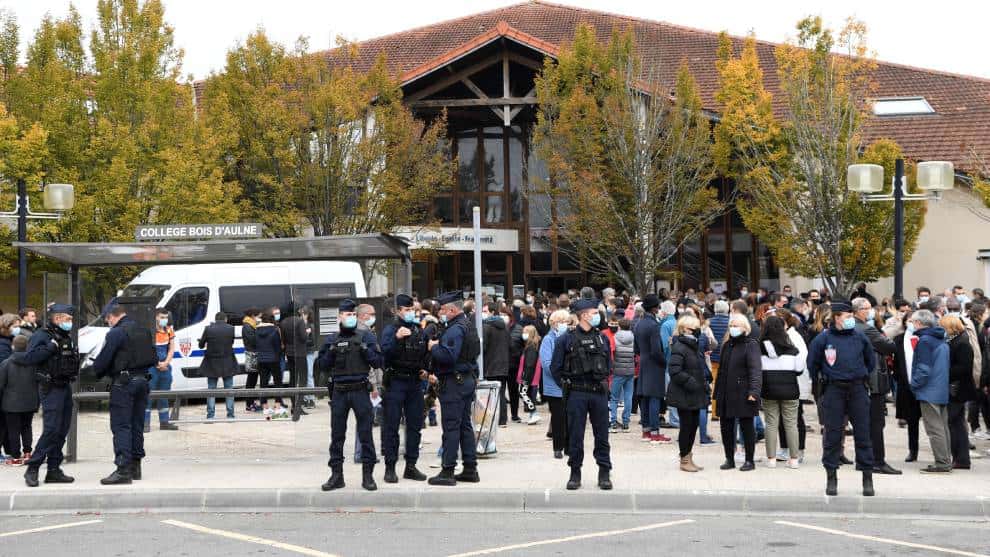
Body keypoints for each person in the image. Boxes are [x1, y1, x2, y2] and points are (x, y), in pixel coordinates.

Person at [807, 300, 876, 496]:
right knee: (833, 435)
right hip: (833, 389)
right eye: (847, 317)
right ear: (836, 317)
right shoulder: (823, 339)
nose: (850, 320)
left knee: (863, 434)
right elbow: (812, 365)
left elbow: (870, 362)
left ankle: (867, 478)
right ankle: (831, 477)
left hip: (857, 389)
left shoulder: (860, 337)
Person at [317, 299, 383, 491]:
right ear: (340, 316)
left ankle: (368, 476)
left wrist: (365, 351)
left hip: (360, 390)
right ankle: (336, 475)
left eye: (354, 314)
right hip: (339, 391)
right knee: (337, 435)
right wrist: (331, 351)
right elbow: (322, 366)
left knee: (366, 434)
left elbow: (379, 361)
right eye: (348, 314)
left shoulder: (366, 337)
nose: (351, 318)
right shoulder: (331, 339)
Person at [551, 298, 613, 490]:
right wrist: (566, 386)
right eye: (595, 312)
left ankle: (604, 472)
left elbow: (609, 366)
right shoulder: (566, 339)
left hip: (598, 393)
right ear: (584, 315)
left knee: (602, 435)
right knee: (576, 435)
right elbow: (555, 368)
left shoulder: (601, 338)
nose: (597, 316)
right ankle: (575, 472)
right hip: (577, 392)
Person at [91, 305, 157, 485]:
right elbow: (153, 357)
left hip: (124, 383)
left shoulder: (116, 333)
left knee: (121, 426)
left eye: (108, 320)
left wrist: (95, 372)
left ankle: (123, 470)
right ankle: (136, 466)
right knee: (137, 424)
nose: (108, 323)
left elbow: (104, 359)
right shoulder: (143, 330)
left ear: (113, 316)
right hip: (143, 381)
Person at [426, 291, 482, 486]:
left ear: (452, 309)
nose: (440, 312)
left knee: (451, 427)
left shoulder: (455, 329)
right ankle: (470, 468)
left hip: (454, 383)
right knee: (464, 425)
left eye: (442, 309)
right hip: (465, 380)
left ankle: (447, 470)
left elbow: (448, 356)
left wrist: (433, 347)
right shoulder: (468, 325)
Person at [20, 304, 77, 487]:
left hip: (64, 385)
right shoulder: (42, 335)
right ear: (58, 318)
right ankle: (33, 467)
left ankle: (54, 469)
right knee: (51, 429)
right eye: (68, 319)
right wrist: (50, 348)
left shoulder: (64, 335)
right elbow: (29, 359)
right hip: (50, 387)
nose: (71, 322)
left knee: (62, 429)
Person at [379, 294, 429, 484]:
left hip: (414, 383)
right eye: (407, 310)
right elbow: (385, 354)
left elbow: (423, 354)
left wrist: (426, 368)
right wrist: (397, 339)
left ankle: (411, 466)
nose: (410, 313)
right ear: (398, 311)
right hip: (396, 382)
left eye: (412, 310)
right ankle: (390, 467)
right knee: (391, 426)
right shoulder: (390, 330)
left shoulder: (417, 330)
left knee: (415, 426)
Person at [851, 297, 901, 475]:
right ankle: (877, 461)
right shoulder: (866, 329)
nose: (871, 311)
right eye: (867, 308)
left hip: (862, 382)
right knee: (875, 424)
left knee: (863, 423)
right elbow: (889, 346)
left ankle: (863, 459)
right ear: (859, 311)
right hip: (873, 383)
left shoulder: (855, 327)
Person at [714, 314, 761, 472]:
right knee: (726, 427)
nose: (733, 328)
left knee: (747, 427)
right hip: (726, 391)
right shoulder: (727, 345)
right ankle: (729, 458)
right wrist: (717, 392)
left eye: (736, 325)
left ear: (744, 328)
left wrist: (754, 391)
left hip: (743, 391)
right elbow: (721, 370)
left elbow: (755, 370)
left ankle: (749, 460)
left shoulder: (751, 344)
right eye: (731, 325)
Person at [909, 309, 952, 473]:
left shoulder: (925, 341)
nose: (912, 324)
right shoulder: (940, 338)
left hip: (929, 390)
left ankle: (942, 462)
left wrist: (914, 384)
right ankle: (946, 459)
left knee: (934, 429)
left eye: (913, 322)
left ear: (919, 323)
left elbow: (923, 369)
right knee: (942, 427)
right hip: (940, 388)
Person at [666, 315, 709, 472]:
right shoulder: (680, 346)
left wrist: (704, 383)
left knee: (693, 425)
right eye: (693, 329)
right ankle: (684, 459)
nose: (697, 332)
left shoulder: (693, 346)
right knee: (687, 427)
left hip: (695, 393)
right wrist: (691, 382)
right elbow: (675, 371)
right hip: (684, 393)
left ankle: (688, 456)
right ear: (684, 329)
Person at [759, 315, 802, 469]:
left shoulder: (759, 349)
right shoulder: (792, 350)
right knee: (791, 424)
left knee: (771, 423)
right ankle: (794, 459)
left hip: (768, 390)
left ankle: (771, 459)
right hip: (790, 390)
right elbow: (799, 370)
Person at [941, 314, 976, 470]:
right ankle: (961, 458)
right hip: (957, 388)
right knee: (956, 424)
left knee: (954, 424)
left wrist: (944, 371)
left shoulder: (961, 343)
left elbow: (964, 367)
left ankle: (961, 458)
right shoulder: (955, 340)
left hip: (958, 389)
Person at [635, 294, 671, 444]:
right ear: (655, 308)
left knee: (644, 396)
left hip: (643, 361)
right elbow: (657, 350)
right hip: (654, 364)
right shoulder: (654, 325)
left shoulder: (639, 323)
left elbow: (636, 347)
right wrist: (664, 363)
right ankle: (655, 432)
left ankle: (646, 431)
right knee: (655, 397)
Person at [0, 335, 38, 463]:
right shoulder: (34, 363)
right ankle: (27, 453)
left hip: (10, 404)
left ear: (13, 347)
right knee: (27, 427)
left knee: (13, 430)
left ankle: (15, 457)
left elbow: (1, 384)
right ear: (27, 347)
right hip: (30, 402)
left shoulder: (6, 363)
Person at [198, 312, 238, 421]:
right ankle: (230, 415)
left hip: (212, 362)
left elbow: (201, 345)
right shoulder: (231, 328)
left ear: (215, 319)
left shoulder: (208, 329)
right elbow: (231, 342)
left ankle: (210, 416)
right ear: (225, 319)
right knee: (229, 389)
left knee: (211, 390)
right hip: (227, 361)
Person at [540, 310, 569, 459]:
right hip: (554, 386)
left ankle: (569, 447)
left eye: (566, 322)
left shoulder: (568, 338)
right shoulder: (548, 339)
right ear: (554, 323)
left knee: (570, 417)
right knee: (558, 418)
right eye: (562, 322)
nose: (565, 325)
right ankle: (558, 447)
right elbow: (546, 364)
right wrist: (561, 376)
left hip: (568, 386)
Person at [145, 309, 178, 432]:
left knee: (164, 395)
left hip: (165, 368)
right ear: (156, 317)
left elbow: (171, 349)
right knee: (148, 395)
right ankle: (145, 423)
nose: (165, 319)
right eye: (162, 317)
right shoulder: (150, 331)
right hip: (151, 368)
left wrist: (166, 363)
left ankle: (164, 422)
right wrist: (156, 363)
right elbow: (146, 350)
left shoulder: (169, 330)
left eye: (166, 317)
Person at [481, 302, 512, 427]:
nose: (484, 313)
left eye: (485, 311)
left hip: (490, 365)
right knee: (501, 392)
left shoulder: (486, 327)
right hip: (503, 364)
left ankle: (492, 419)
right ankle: (502, 420)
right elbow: (510, 344)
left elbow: (483, 347)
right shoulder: (505, 327)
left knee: (490, 394)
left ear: (492, 312)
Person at [279, 303, 309, 418]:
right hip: (300, 353)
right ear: (297, 310)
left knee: (292, 378)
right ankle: (298, 407)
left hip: (289, 353)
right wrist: (307, 332)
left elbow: (283, 339)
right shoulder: (300, 321)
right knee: (302, 380)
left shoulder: (283, 322)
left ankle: (293, 405)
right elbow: (303, 337)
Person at [255, 309, 286, 417]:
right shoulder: (274, 330)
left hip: (261, 360)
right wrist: (279, 355)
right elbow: (278, 347)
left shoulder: (256, 330)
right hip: (273, 359)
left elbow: (255, 345)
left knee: (263, 383)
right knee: (278, 382)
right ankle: (277, 406)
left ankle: (265, 407)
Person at [610, 319, 636, 432]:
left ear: (619, 326)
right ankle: (626, 423)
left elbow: (613, 353)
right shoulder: (633, 337)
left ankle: (613, 422)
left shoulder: (615, 337)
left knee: (614, 398)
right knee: (628, 397)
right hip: (630, 370)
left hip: (618, 370)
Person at [517, 324, 542, 425]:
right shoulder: (531, 345)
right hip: (531, 377)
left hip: (528, 377)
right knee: (529, 395)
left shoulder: (531, 347)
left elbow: (529, 365)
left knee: (523, 393)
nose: (523, 334)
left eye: (526, 332)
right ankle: (533, 414)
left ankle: (534, 413)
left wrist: (525, 379)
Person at [241, 308, 262, 413]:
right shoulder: (248, 326)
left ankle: (251, 403)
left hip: (253, 355)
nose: (260, 318)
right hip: (252, 355)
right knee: (251, 381)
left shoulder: (250, 325)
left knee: (252, 380)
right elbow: (253, 341)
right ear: (253, 315)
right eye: (259, 316)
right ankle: (249, 404)